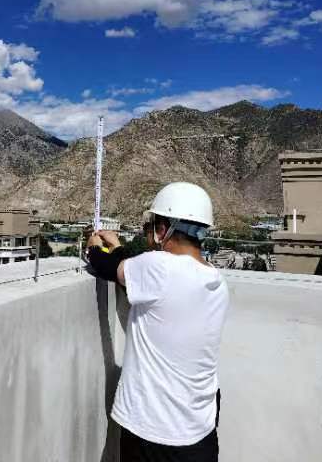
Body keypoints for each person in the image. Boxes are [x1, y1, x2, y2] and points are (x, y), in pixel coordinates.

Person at [86, 182, 229, 462]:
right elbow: (148, 277)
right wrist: (120, 249)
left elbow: (107, 267)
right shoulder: (215, 280)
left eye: (153, 225)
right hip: (200, 431)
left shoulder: (158, 268)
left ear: (164, 230)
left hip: (153, 432)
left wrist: (94, 247)